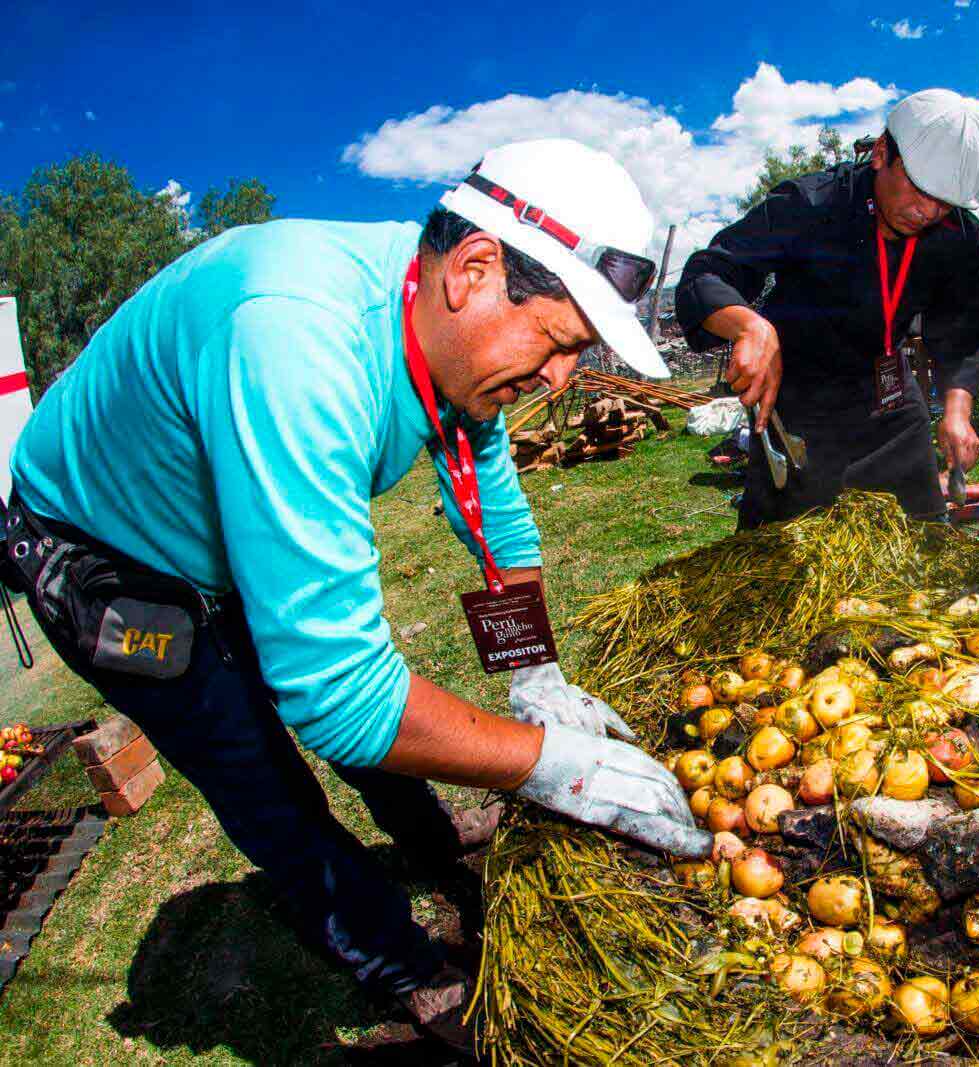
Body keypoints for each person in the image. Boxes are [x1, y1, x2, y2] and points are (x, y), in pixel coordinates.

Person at [1, 139, 711, 1053]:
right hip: (107, 563)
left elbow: (498, 520)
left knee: (386, 716)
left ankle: (434, 842)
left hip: (214, 523)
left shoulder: (447, 333)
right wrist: (553, 764)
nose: (559, 380)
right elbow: (338, 696)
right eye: (560, 342)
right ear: (476, 269)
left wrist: (536, 675)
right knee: (260, 773)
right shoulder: (295, 337)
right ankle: (396, 959)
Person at [676, 89, 979, 528]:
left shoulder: (960, 236)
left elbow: (967, 331)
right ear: (883, 153)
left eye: (945, 203)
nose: (928, 211)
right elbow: (706, 275)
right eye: (922, 190)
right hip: (802, 412)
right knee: (782, 566)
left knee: (922, 546)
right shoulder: (811, 205)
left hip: (892, 406)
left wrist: (958, 412)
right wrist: (750, 327)